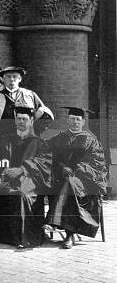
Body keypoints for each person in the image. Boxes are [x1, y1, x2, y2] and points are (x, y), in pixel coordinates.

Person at [46, 107, 108, 249]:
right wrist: (62, 167)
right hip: (60, 178)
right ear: (68, 120)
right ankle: (63, 229)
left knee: (71, 185)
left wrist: (75, 170)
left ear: (83, 122)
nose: (75, 122)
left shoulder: (91, 140)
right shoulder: (59, 138)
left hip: (85, 180)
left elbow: (96, 163)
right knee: (66, 184)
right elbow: (49, 157)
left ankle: (67, 232)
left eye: (78, 120)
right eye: (72, 119)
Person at [0, 106, 52, 249]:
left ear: (31, 121)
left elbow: (44, 163)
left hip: (29, 178)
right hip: (6, 177)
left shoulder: (39, 142)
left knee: (21, 194)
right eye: (18, 118)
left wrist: (22, 168)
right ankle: (7, 237)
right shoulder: (6, 139)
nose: (21, 121)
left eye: (24, 119)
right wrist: (4, 169)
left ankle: (24, 237)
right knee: (2, 190)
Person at [0, 66, 53, 138]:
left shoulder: (30, 95)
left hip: (27, 138)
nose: (12, 79)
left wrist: (35, 130)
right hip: (5, 138)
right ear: (3, 79)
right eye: (8, 77)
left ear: (20, 79)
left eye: (14, 76)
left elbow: (44, 114)